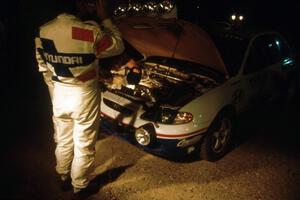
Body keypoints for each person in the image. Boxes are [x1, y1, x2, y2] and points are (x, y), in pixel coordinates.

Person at [35, 0, 124, 198]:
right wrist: (105, 19)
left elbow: (44, 70)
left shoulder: (43, 31)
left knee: (63, 138)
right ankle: (80, 186)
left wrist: (56, 92)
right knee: (83, 142)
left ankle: (62, 176)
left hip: (59, 93)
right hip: (84, 95)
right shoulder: (86, 32)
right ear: (78, 6)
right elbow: (117, 46)